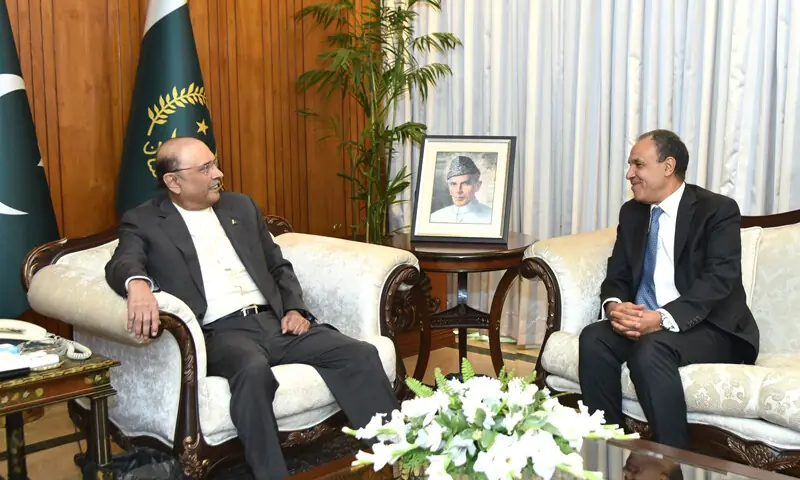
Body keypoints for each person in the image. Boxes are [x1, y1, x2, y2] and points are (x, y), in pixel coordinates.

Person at [105, 137, 399, 480]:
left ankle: (398, 456)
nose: (219, 173)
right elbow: (122, 262)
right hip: (221, 333)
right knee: (252, 370)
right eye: (206, 168)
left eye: (214, 163)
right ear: (174, 181)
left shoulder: (240, 207)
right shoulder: (145, 220)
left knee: (358, 354)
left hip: (276, 323)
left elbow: (279, 266)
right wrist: (138, 286)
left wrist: (295, 309)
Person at [578, 129, 759, 450]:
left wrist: (661, 318)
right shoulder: (632, 212)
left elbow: (719, 279)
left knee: (652, 349)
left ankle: (672, 458)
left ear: (668, 166)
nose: (629, 174)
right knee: (594, 338)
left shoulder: (716, 210)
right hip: (649, 323)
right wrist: (614, 306)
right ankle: (609, 447)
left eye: (638, 165)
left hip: (711, 327)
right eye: (629, 165)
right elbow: (617, 272)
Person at [429, 155, 492, 224]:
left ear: (477, 186)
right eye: (453, 184)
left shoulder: (490, 217)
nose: (458, 190)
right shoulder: (435, 217)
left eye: (465, 184)